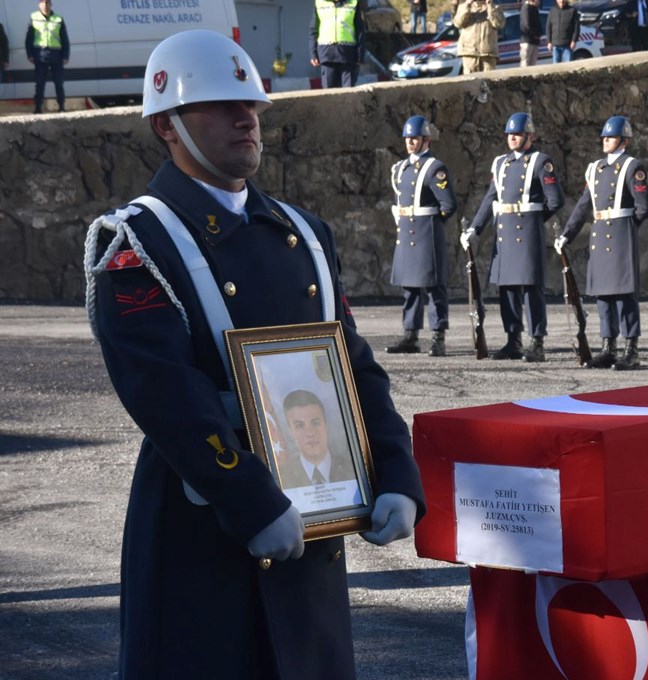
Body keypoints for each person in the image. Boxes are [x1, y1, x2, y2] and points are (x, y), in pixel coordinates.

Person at [81, 30, 424, 678]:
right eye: (218, 104)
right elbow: (165, 396)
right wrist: (252, 500)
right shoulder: (135, 242)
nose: (246, 116)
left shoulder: (304, 232)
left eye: (253, 103)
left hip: (311, 543)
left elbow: (352, 367)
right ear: (166, 125)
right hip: (202, 543)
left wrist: (396, 470)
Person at [462, 113, 565, 362]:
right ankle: (513, 339)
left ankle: (537, 341)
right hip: (505, 232)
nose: (512, 138)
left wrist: (533, 218)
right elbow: (490, 198)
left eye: (517, 134)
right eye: (509, 134)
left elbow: (555, 200)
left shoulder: (541, 162)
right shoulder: (501, 163)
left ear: (530, 136)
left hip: (527, 233)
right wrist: (475, 228)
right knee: (507, 288)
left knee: (531, 288)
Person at [558, 116, 648, 370]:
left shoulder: (633, 167)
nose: (605, 140)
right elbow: (583, 205)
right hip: (600, 235)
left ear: (624, 141)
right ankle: (608, 347)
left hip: (620, 235)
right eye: (604, 137)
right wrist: (568, 233)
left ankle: (630, 349)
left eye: (610, 137)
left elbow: (644, 207)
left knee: (625, 295)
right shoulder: (596, 168)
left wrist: (626, 227)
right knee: (604, 296)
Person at [385, 115, 458, 357]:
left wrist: (431, 224)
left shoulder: (435, 168)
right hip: (406, 231)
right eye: (407, 138)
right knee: (410, 287)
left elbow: (448, 205)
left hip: (427, 231)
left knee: (435, 287)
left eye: (414, 138)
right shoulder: (400, 168)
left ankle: (438, 336)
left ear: (426, 140)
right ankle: (411, 334)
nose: (410, 142)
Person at [278, 390, 357, 488]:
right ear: (291, 432)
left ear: (326, 425)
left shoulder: (354, 471)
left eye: (315, 423)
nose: (310, 433)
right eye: (299, 426)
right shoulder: (281, 478)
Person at [25, 0, 69, 114]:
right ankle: (38, 107)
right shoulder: (34, 17)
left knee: (59, 82)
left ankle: (61, 107)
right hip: (40, 55)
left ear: (51, 5)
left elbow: (64, 39)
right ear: (39, 5)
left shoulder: (58, 19)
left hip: (56, 55)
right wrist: (29, 54)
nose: (45, 5)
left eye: (47, 3)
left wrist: (65, 55)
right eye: (43, 3)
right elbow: (29, 39)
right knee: (39, 83)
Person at [309, 0, 365, 88]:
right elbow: (314, 30)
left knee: (348, 94)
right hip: (327, 55)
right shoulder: (319, 3)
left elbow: (360, 30)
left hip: (348, 55)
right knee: (329, 94)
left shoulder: (353, 2)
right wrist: (313, 53)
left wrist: (360, 54)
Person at [454, 0, 505, 73]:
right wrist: (468, 4)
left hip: (488, 55)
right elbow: (458, 23)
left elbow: (499, 24)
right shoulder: (464, 7)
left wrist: (490, 6)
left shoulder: (495, 7)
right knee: (471, 82)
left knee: (489, 82)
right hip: (469, 53)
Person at [519, 0, 542, 67]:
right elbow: (526, 25)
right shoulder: (526, 8)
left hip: (534, 41)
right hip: (527, 40)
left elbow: (538, 24)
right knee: (525, 64)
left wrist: (539, 34)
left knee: (533, 65)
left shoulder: (535, 9)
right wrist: (534, 35)